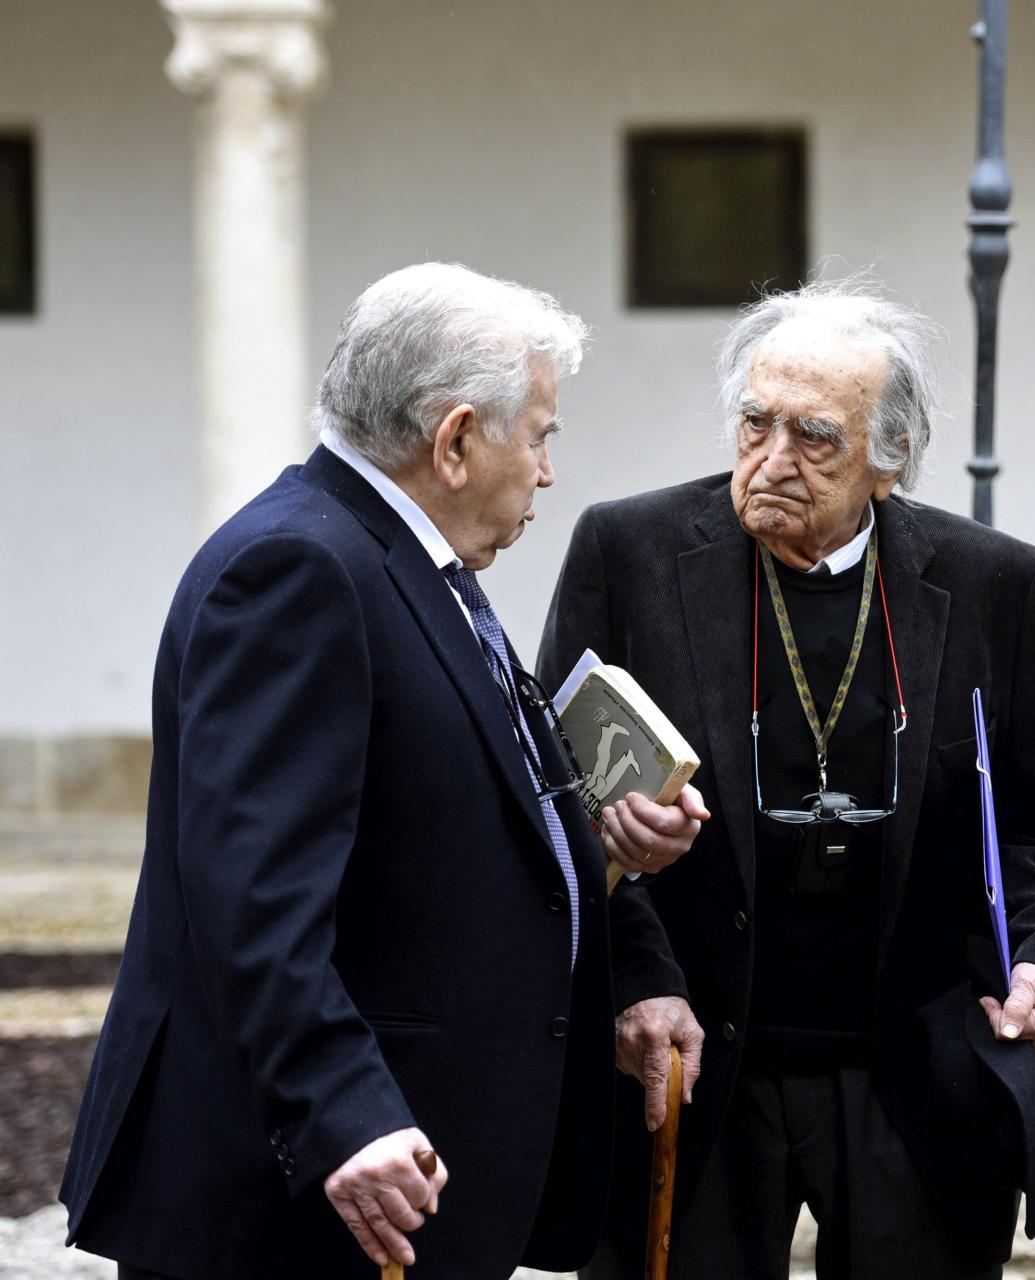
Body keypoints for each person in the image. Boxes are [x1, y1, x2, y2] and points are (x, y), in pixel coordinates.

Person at [60, 263, 708, 1280]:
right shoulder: (300, 569)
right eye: (538, 434)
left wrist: (608, 863)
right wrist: (343, 1112)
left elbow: (481, 806)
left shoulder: (411, 557)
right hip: (309, 1199)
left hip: (406, 1181)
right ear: (453, 442)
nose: (546, 471)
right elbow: (250, 892)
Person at [537, 278, 1035, 1279]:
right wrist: (639, 982)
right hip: (692, 1055)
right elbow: (553, 812)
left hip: (911, 1068)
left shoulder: (994, 583)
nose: (772, 460)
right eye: (755, 424)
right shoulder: (628, 552)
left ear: (888, 462)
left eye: (814, 437)